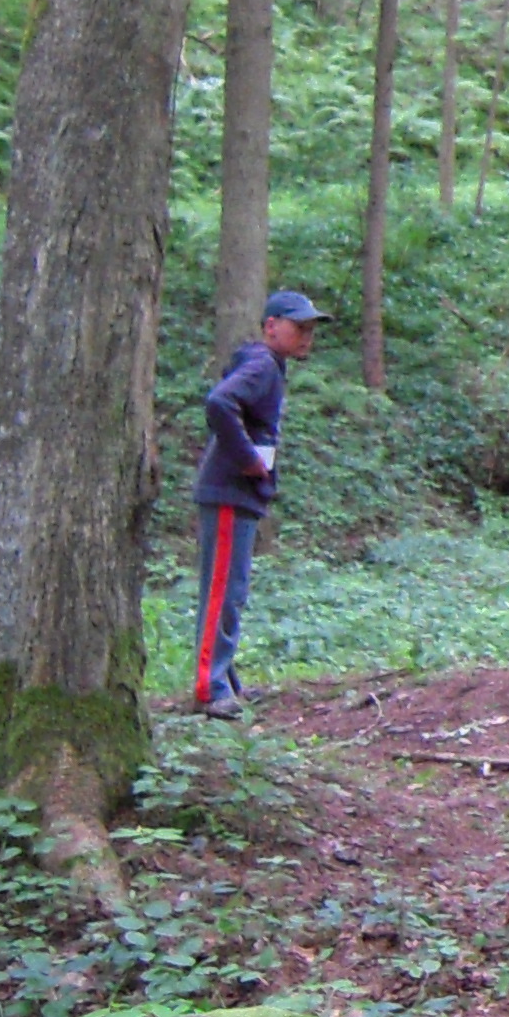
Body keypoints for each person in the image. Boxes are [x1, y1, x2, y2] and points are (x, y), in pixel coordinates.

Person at [186, 289, 320, 720]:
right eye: (299, 327)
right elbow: (219, 402)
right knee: (223, 591)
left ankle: (226, 680)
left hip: (240, 496)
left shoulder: (269, 366)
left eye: (310, 329)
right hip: (228, 491)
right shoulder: (262, 363)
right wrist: (247, 459)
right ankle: (210, 688)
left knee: (234, 590)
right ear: (271, 326)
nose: (307, 336)